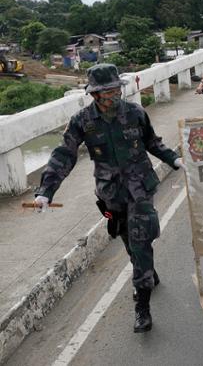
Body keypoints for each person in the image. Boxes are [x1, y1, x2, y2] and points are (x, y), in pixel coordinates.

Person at [33, 64, 183, 333]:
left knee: (140, 239)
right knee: (127, 237)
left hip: (139, 188)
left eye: (116, 89)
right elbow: (63, 155)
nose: (113, 95)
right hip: (111, 193)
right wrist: (46, 191)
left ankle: (142, 306)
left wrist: (174, 159)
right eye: (107, 92)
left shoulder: (135, 113)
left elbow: (153, 142)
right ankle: (145, 269)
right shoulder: (83, 121)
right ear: (95, 95)